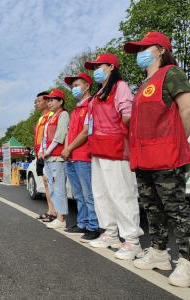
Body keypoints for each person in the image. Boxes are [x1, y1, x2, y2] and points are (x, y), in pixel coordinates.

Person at [124, 32, 190, 286]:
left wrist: (185, 143)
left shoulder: (171, 73)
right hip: (144, 158)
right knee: (152, 208)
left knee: (177, 210)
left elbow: (186, 107)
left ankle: (186, 259)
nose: (139, 53)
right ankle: (159, 253)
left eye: (144, 47)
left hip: (168, 155)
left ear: (160, 50)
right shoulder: (142, 84)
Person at [84, 53, 143, 260]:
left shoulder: (121, 87)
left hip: (116, 149)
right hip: (98, 150)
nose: (96, 70)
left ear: (111, 67)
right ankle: (110, 234)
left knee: (121, 194)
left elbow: (128, 116)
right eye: (94, 67)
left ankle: (132, 241)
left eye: (99, 66)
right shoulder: (97, 94)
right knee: (101, 194)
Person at [61, 72, 100, 242]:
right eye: (73, 86)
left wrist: (68, 148)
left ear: (87, 86)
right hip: (72, 156)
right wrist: (67, 150)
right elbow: (70, 132)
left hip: (84, 155)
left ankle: (94, 226)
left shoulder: (92, 104)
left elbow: (86, 131)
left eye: (77, 85)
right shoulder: (77, 108)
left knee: (88, 193)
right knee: (78, 194)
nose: (74, 88)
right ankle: (82, 223)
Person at [40, 89, 69, 230]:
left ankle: (61, 218)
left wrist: (47, 151)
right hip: (48, 158)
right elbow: (45, 137)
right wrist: (41, 150)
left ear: (61, 101)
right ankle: (57, 215)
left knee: (58, 188)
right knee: (52, 188)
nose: (49, 102)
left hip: (57, 157)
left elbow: (59, 136)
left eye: (52, 100)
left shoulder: (63, 115)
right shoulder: (51, 117)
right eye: (48, 100)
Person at [34, 91, 58, 223]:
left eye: (38, 101)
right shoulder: (40, 118)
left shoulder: (52, 116)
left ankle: (55, 212)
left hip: (48, 154)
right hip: (40, 154)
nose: (36, 104)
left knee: (51, 183)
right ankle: (51, 211)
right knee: (45, 183)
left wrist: (46, 152)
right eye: (35, 102)